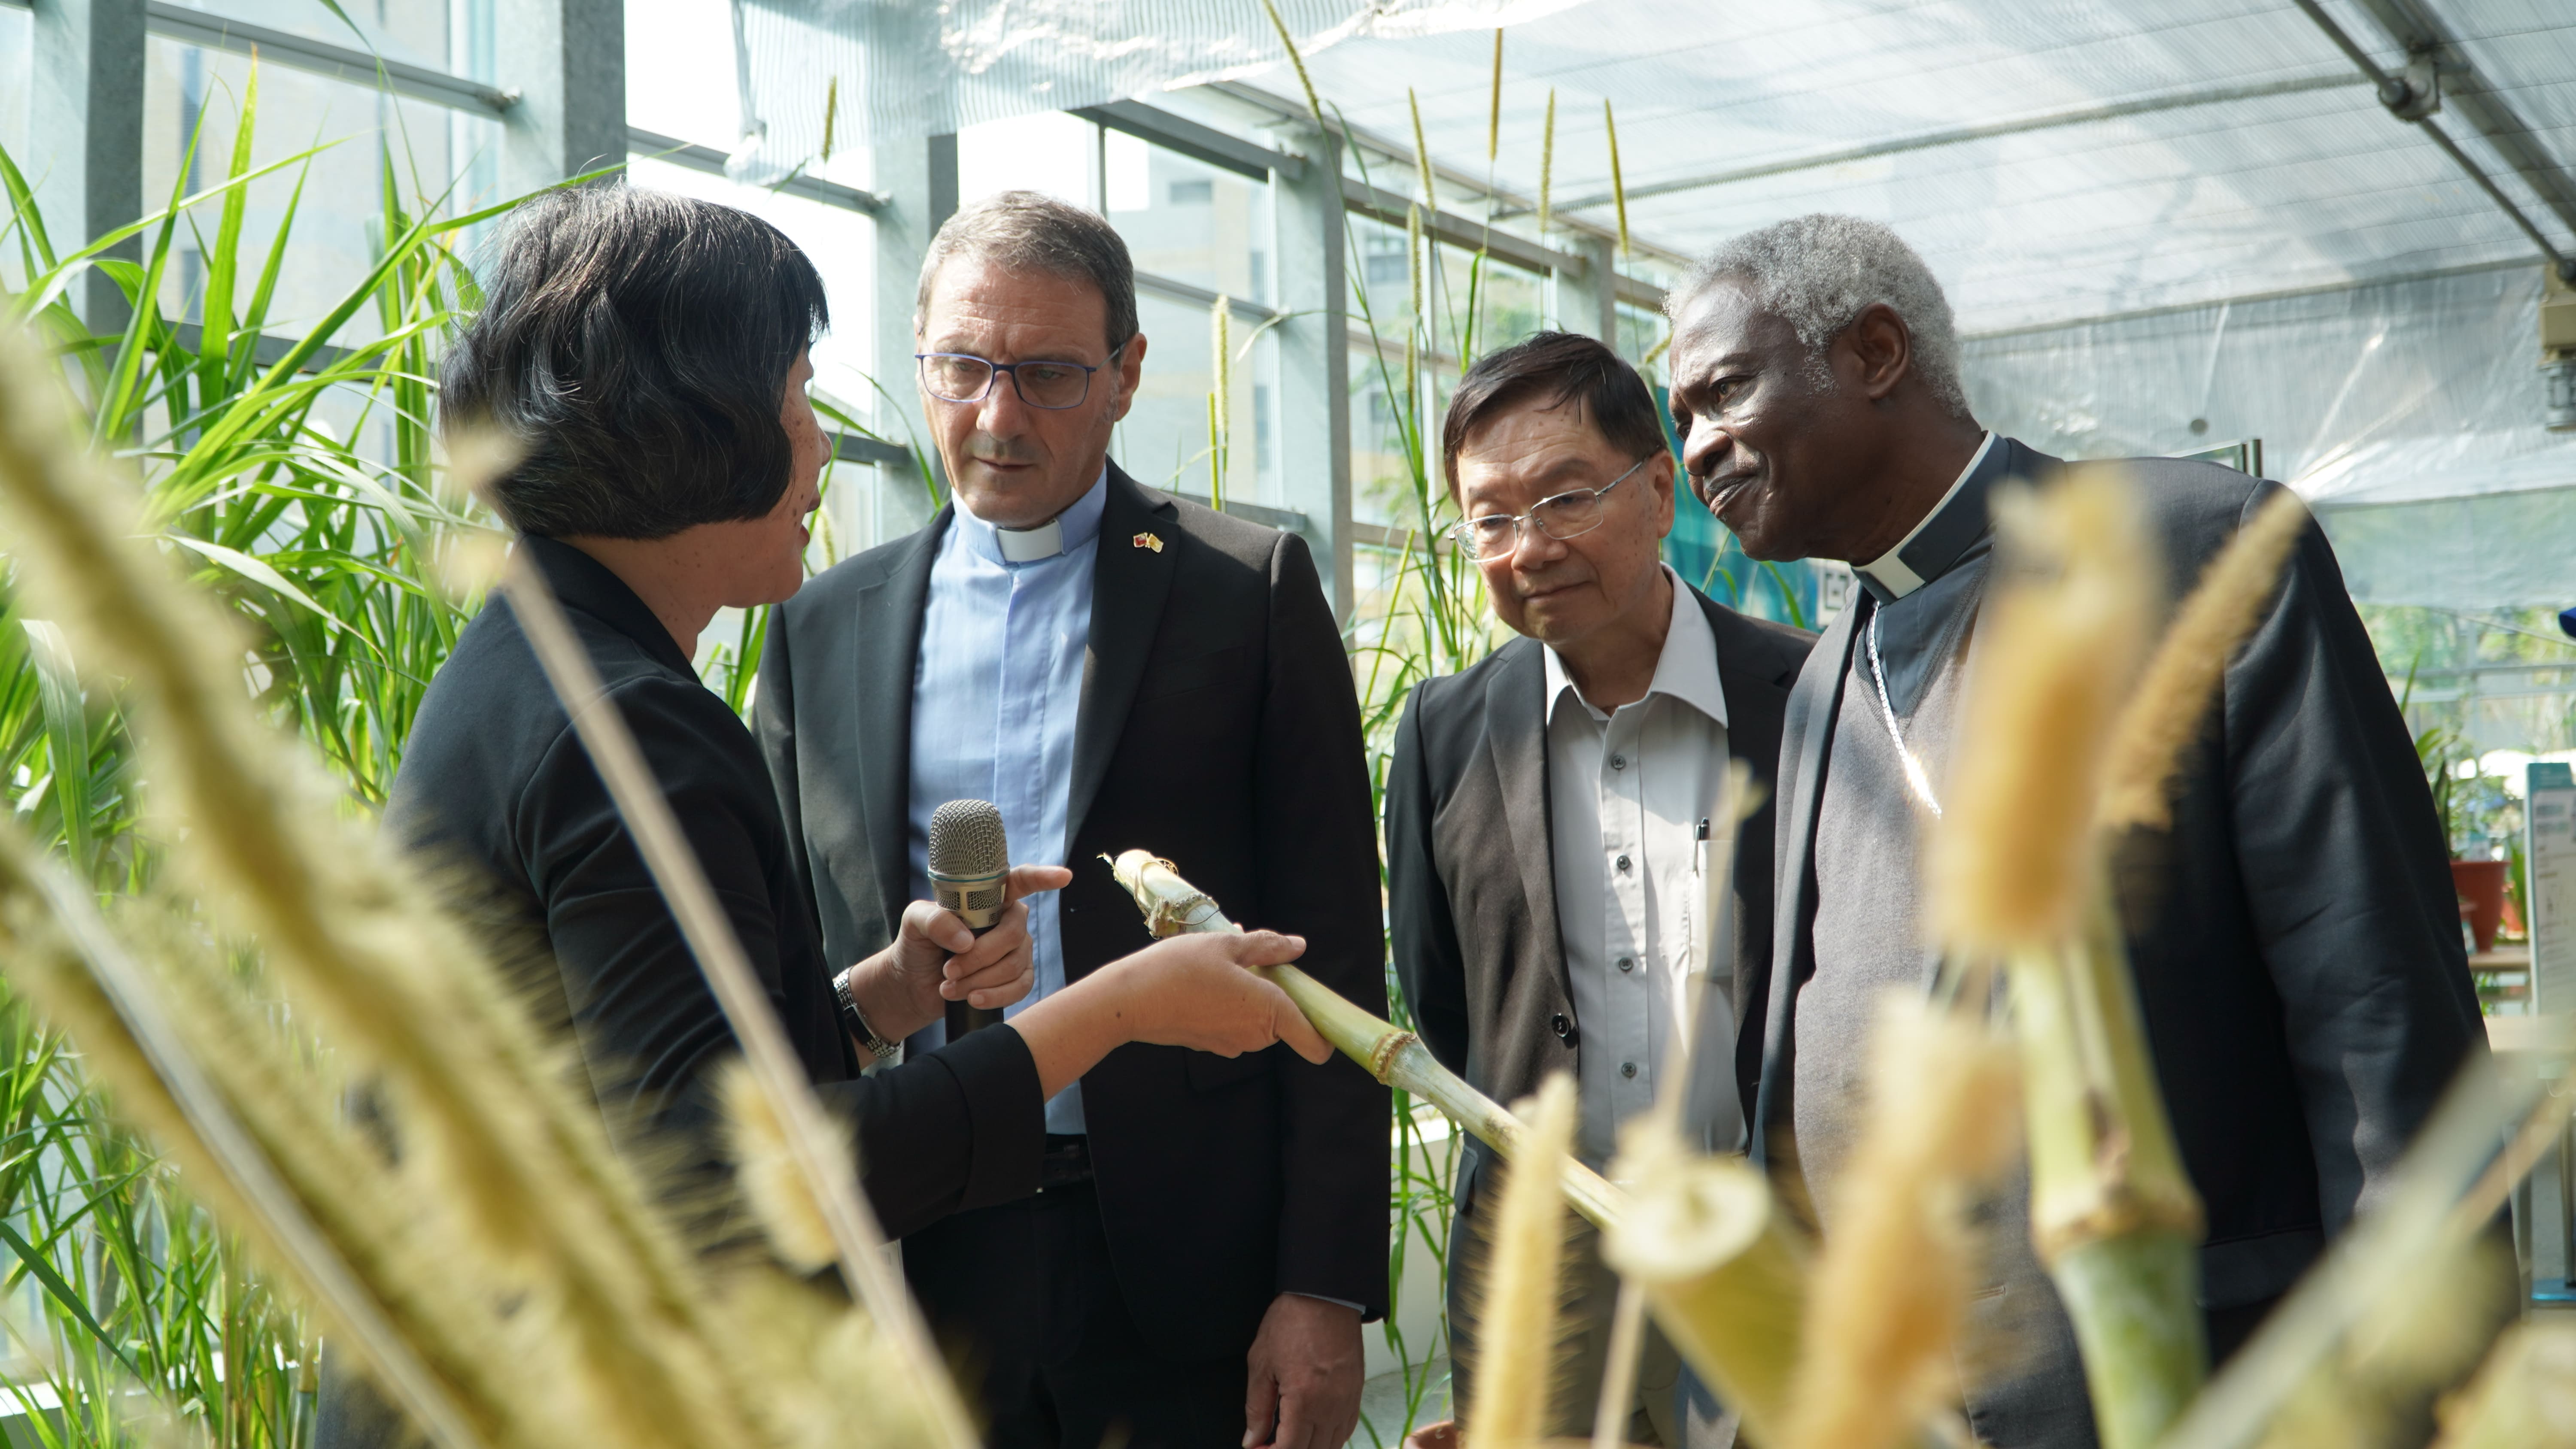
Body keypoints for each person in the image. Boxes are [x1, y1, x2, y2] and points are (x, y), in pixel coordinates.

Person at [324, 185, 1334, 1446]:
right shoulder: (631, 731)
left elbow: (668, 1072)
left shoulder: (541, 668)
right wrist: (1125, 1006)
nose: (821, 449)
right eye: (799, 398)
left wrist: (873, 1004)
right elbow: (748, 1176)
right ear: (699, 426)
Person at [1662, 214, 2486, 1448]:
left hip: (2196, 1382)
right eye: (1681, 421)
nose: (1699, 450)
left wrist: (2412, 1388)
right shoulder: (1827, 674)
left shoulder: (2193, 547)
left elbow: (2376, 1003)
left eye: (1724, 392)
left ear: (1876, 351)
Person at [753, 190, 1387, 1449]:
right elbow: (785, 951)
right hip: (909, 1259)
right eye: (962, 368)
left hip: (1177, 1259)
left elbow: (1331, 947)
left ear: (1126, 373)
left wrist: (1322, 1286)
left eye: (1048, 374)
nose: (997, 417)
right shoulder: (824, 622)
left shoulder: (1244, 590)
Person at [1384, 332, 1813, 1447]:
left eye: (1566, 497)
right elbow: (1450, 1008)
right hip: (1549, 1295)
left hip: (1782, 1260)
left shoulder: (1808, 696)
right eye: (1490, 517)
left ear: (1661, 487)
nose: (1529, 547)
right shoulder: (1443, 731)